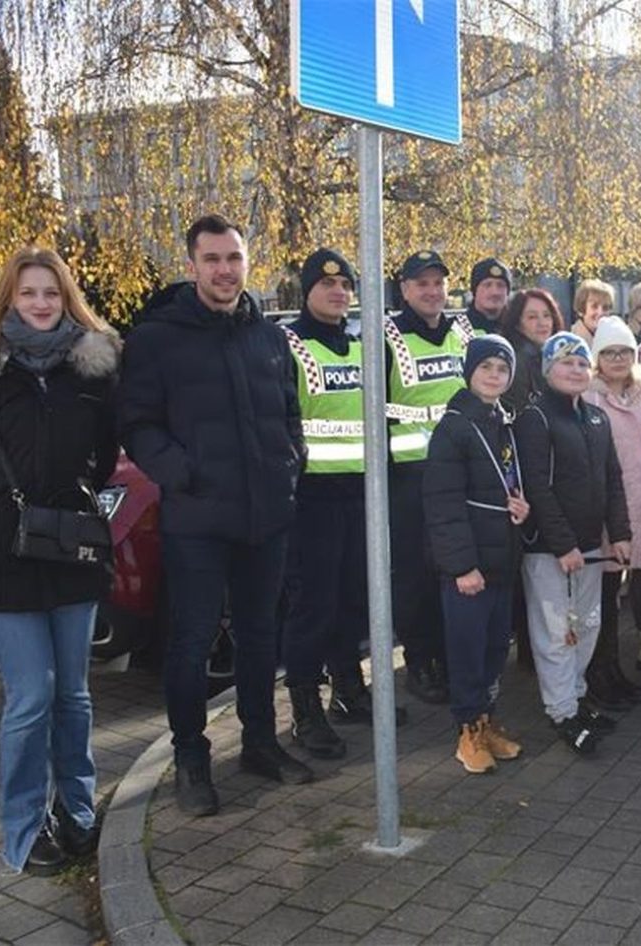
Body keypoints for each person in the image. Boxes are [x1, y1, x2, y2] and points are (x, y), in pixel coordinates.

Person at [120, 214, 311, 814]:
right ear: (192, 264)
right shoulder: (157, 338)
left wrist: (292, 460)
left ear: (246, 263)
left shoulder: (268, 336)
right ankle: (191, 760)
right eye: (212, 259)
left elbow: (288, 410)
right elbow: (138, 425)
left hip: (266, 515)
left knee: (260, 637)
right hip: (198, 520)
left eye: (233, 258)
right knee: (191, 642)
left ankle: (260, 743)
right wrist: (184, 474)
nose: (224, 270)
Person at [0, 248, 120, 873]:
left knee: (72, 694)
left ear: (65, 298)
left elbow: (101, 459)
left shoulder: (92, 371)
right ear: (9, 301)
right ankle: (22, 831)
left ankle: (78, 810)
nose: (40, 303)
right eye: (27, 294)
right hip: (3, 559)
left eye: (49, 293)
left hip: (72, 550)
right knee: (30, 696)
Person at [279, 249, 403, 763]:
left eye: (345, 285)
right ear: (307, 290)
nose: (338, 293)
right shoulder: (287, 343)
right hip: (310, 498)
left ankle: (349, 689)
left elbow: (384, 413)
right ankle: (306, 708)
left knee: (355, 600)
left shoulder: (361, 344)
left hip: (362, 494)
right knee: (313, 608)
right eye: (327, 284)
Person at [514, 332, 631, 755]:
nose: (576, 370)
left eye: (582, 363)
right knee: (556, 631)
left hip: (591, 548)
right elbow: (539, 489)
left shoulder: (596, 418)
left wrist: (620, 534)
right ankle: (561, 711)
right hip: (551, 550)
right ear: (548, 369)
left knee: (588, 624)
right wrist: (562, 545)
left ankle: (578, 698)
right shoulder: (536, 418)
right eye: (566, 363)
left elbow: (613, 479)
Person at [424, 336, 530, 773]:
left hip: (501, 557)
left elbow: (504, 482)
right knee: (467, 650)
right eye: (485, 367)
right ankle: (467, 730)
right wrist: (462, 566)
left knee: (491, 649)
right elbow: (443, 503)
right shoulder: (454, 427)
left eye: (502, 369)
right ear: (469, 371)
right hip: (470, 566)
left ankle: (486, 722)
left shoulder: (500, 421)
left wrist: (522, 507)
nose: (494, 375)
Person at [386, 250, 472, 705]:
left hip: (459, 474)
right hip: (409, 479)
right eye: (422, 283)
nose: (432, 291)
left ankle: (447, 653)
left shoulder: (463, 333)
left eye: (438, 282)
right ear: (404, 289)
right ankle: (419, 660)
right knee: (414, 575)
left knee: (453, 566)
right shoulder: (386, 336)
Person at [583, 317, 641, 708]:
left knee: (614, 597)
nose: (617, 358)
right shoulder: (590, 399)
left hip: (634, 509)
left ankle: (613, 669)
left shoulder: (640, 398)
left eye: (624, 351)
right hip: (606, 511)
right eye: (608, 352)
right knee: (602, 599)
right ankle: (598, 672)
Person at [500, 287, 563, 415]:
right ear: (517, 323)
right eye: (532, 317)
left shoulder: (559, 356)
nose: (542, 323)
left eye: (547, 315)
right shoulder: (516, 363)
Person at [465, 257, 512, 334]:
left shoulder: (519, 329)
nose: (495, 292)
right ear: (474, 290)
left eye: (500, 285)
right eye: (487, 285)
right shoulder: (459, 329)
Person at [570, 279, 615, 348]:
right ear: (582, 308)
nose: (600, 312)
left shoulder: (614, 338)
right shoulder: (570, 342)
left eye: (605, 308)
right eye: (594, 306)